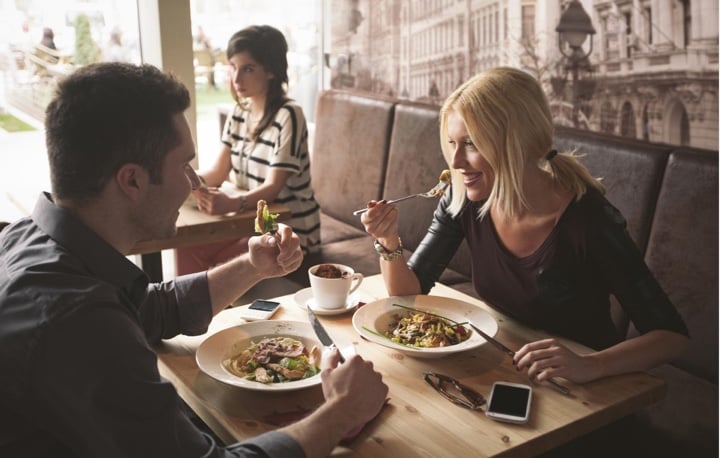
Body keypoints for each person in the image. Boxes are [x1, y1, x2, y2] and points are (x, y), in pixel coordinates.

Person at [0, 62, 387, 457]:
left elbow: (150, 308)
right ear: (132, 180)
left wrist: (253, 266)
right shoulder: (77, 320)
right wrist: (343, 411)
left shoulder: (30, 237)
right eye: (184, 165)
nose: (193, 182)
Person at [361, 66, 689, 385]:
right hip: (508, 365)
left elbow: (671, 337)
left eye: (472, 143)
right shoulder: (462, 199)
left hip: (588, 391)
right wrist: (389, 240)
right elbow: (408, 292)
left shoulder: (588, 219)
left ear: (517, 142)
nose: (457, 162)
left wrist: (590, 365)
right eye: (453, 143)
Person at [176, 25, 321, 275]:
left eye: (248, 69)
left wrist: (232, 203)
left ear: (272, 71)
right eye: (233, 67)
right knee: (187, 247)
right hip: (250, 225)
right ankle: (189, 314)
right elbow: (218, 172)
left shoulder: (289, 115)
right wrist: (184, 182)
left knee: (216, 265)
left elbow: (273, 188)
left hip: (291, 231)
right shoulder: (239, 113)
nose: (237, 78)